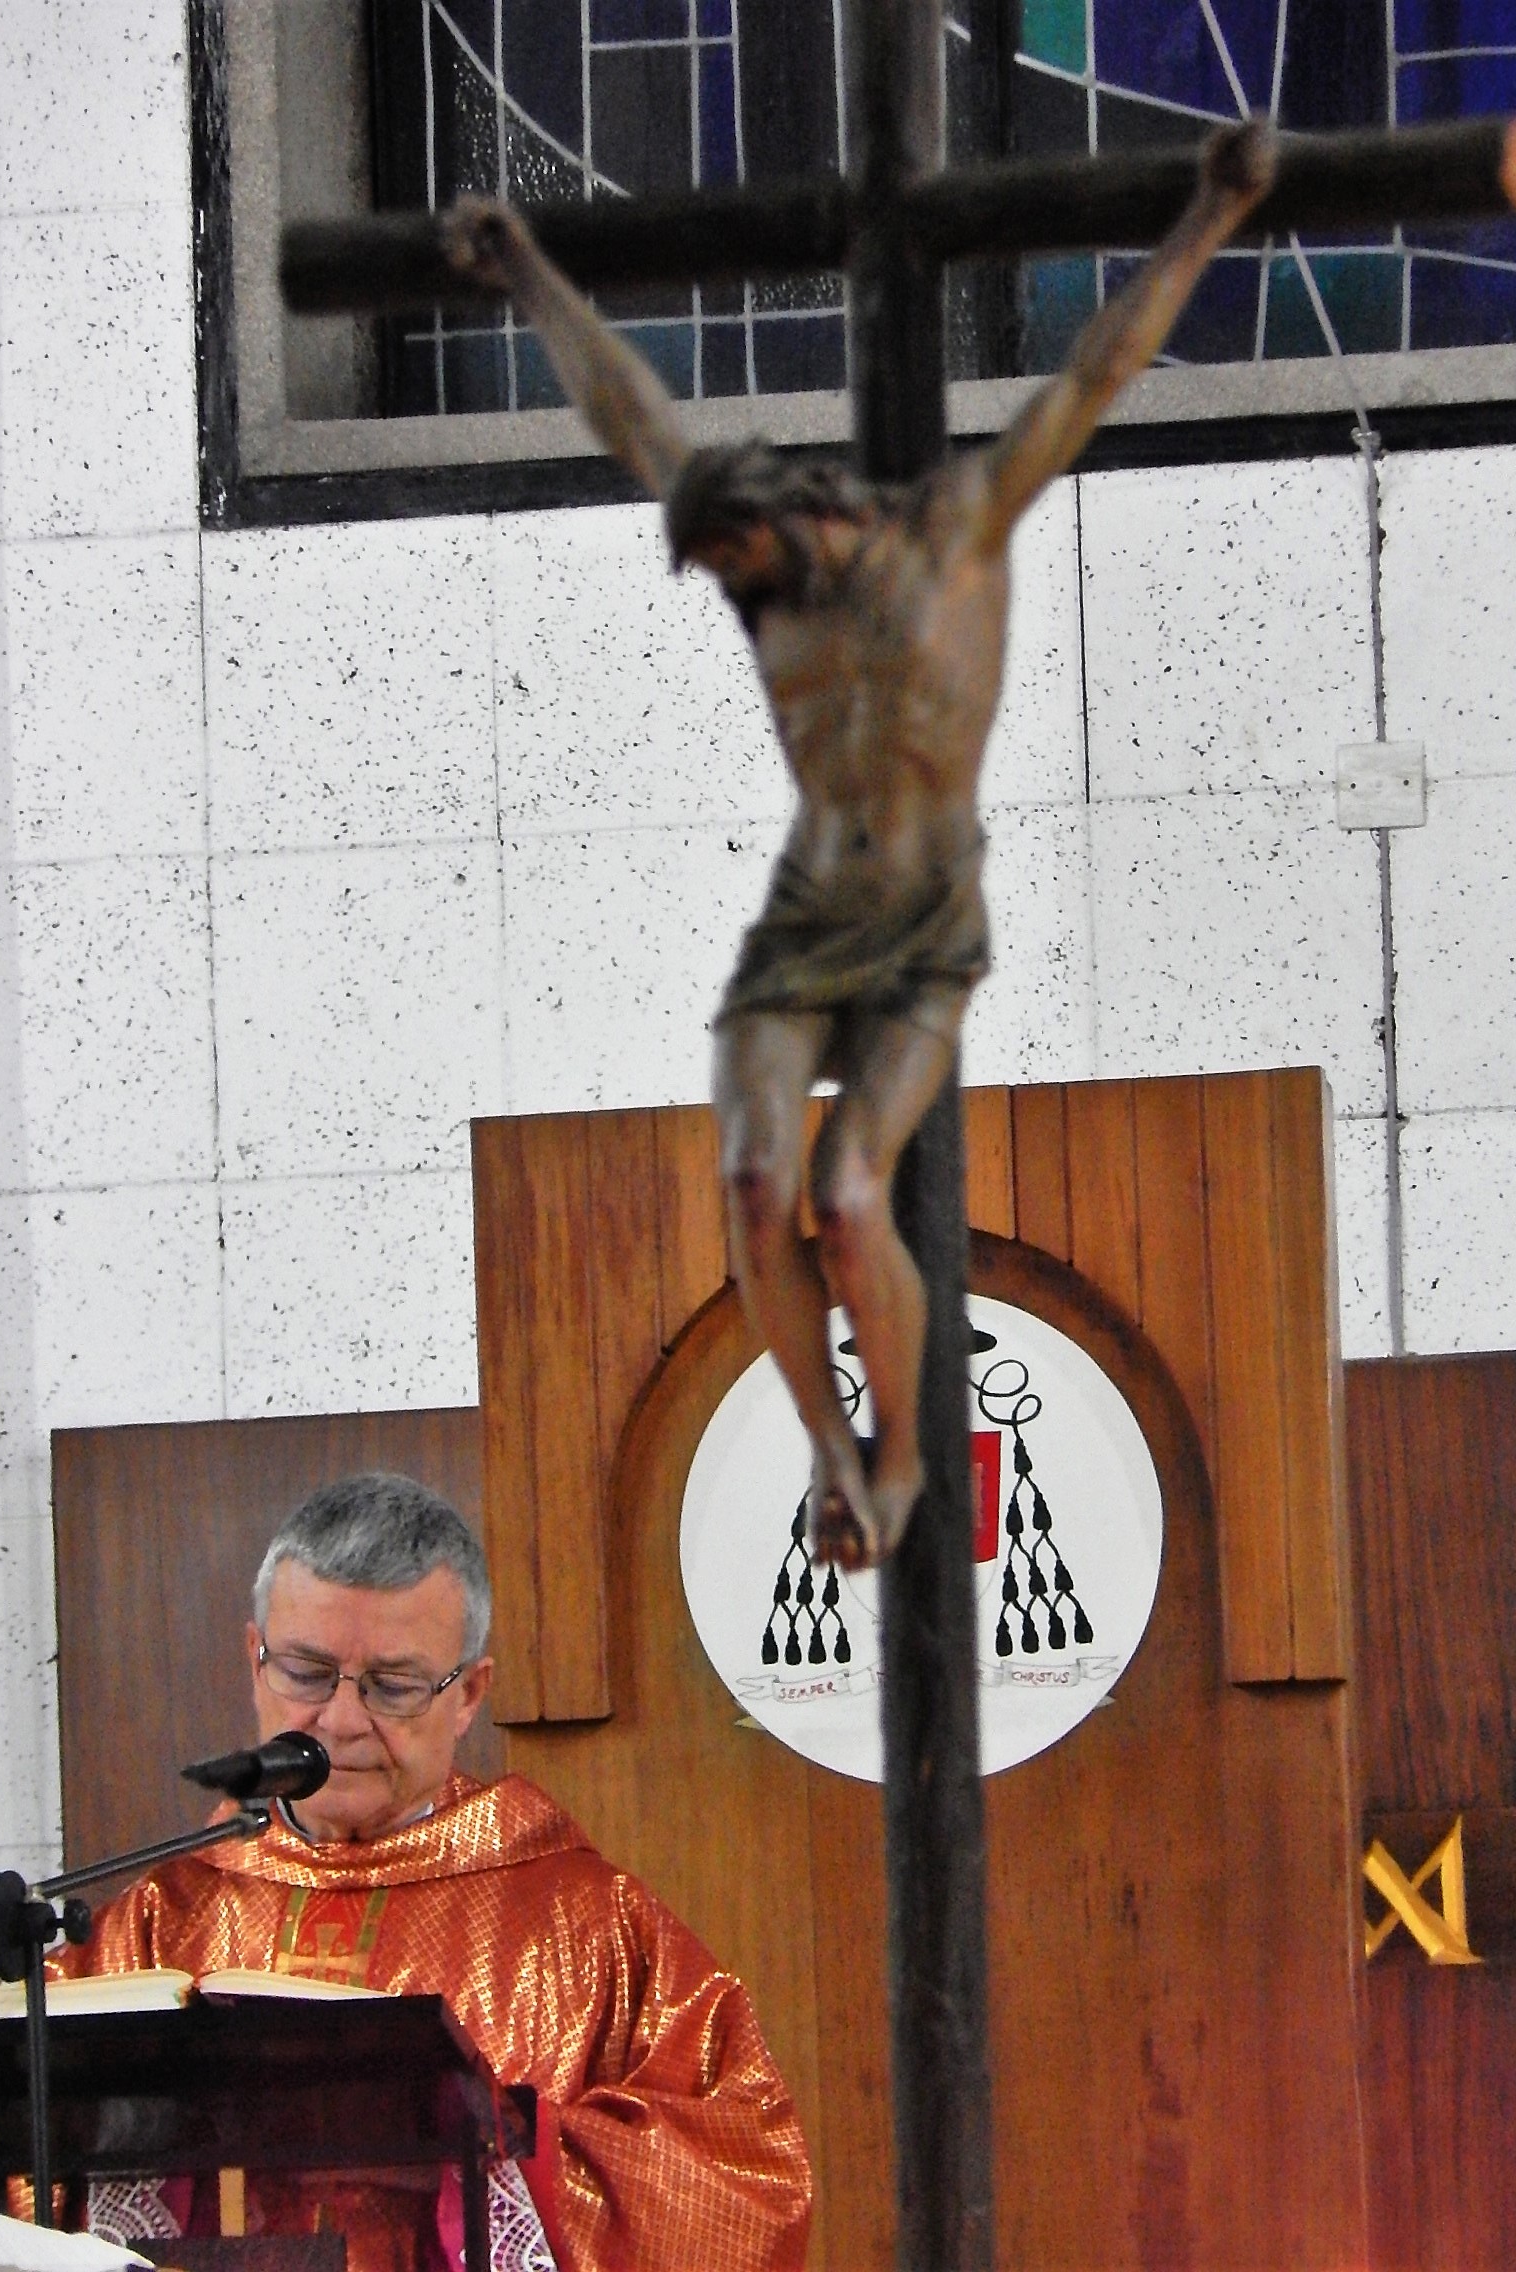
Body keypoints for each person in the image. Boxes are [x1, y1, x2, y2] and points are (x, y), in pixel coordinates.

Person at [441, 118, 1277, 1572]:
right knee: (755, 1184)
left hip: (927, 925)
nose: (734, 593)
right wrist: (521, 266)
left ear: (788, 516)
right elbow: (631, 413)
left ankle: (900, 1459)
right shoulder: (756, 580)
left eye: (736, 563)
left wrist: (1209, 212)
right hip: (804, 918)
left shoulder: (957, 532)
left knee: (843, 1194)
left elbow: (1094, 376)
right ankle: (830, 1452)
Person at [0, 1474, 811, 2272]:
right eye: (306, 1672)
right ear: (254, 1658)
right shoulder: (162, 1918)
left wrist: (511, 2149)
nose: (341, 1720)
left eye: (393, 1685)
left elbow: (746, 2177)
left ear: (469, 1694)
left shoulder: (587, 1922)